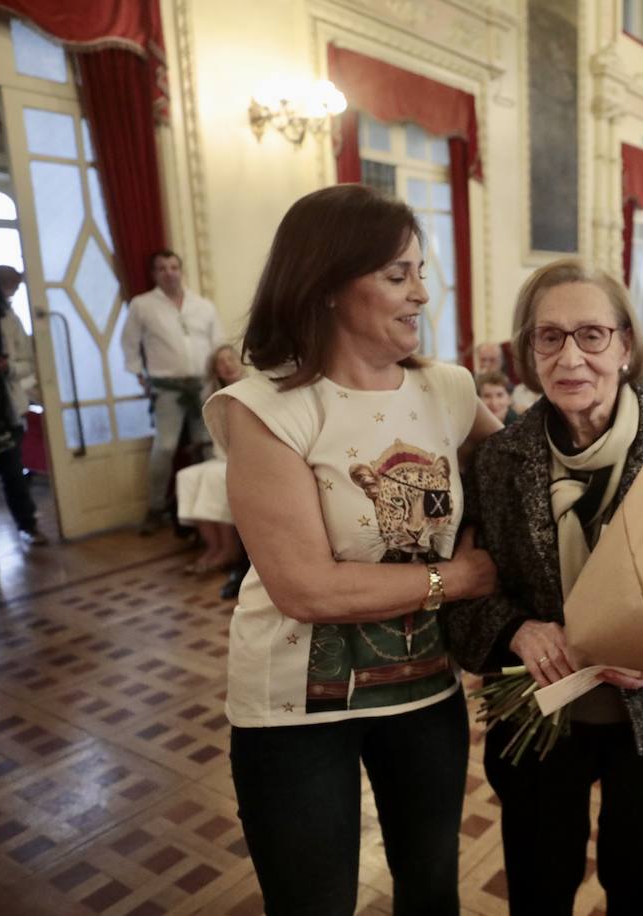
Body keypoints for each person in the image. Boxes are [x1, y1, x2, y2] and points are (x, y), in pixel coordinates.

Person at [204, 185, 500, 914]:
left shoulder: (449, 390)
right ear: (330, 284)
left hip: (425, 688)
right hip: (293, 705)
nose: (422, 294)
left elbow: (521, 477)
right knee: (315, 901)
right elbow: (307, 589)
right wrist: (459, 577)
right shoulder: (267, 409)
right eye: (398, 276)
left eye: (420, 273)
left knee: (431, 885)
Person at [439, 259, 643, 916]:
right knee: (541, 885)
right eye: (550, 337)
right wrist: (517, 628)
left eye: (592, 335)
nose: (571, 356)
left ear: (626, 346)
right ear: (528, 351)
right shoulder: (497, 459)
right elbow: (466, 595)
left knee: (642, 884)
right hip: (542, 712)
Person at [121, 249, 223, 534]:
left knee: (206, 446)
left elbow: (218, 343)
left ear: (181, 270)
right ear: (154, 274)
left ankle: (211, 510)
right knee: (165, 447)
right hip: (167, 388)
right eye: (162, 268)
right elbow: (129, 344)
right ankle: (156, 508)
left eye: (174, 267)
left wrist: (219, 377)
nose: (169, 272)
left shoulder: (203, 306)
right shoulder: (142, 305)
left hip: (202, 386)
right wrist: (139, 374)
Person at [176, 344, 247, 574]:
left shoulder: (253, 391)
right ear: (216, 372)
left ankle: (229, 549)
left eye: (230, 359)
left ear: (240, 361)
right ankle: (213, 547)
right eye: (220, 362)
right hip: (222, 457)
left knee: (214, 478)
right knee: (186, 476)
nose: (227, 364)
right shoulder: (216, 398)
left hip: (245, 459)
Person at [0, 268, 44, 546]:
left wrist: (6, 367)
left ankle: (28, 525)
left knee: (13, 471)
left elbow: (27, 363)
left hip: (5, 408)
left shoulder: (10, 319)